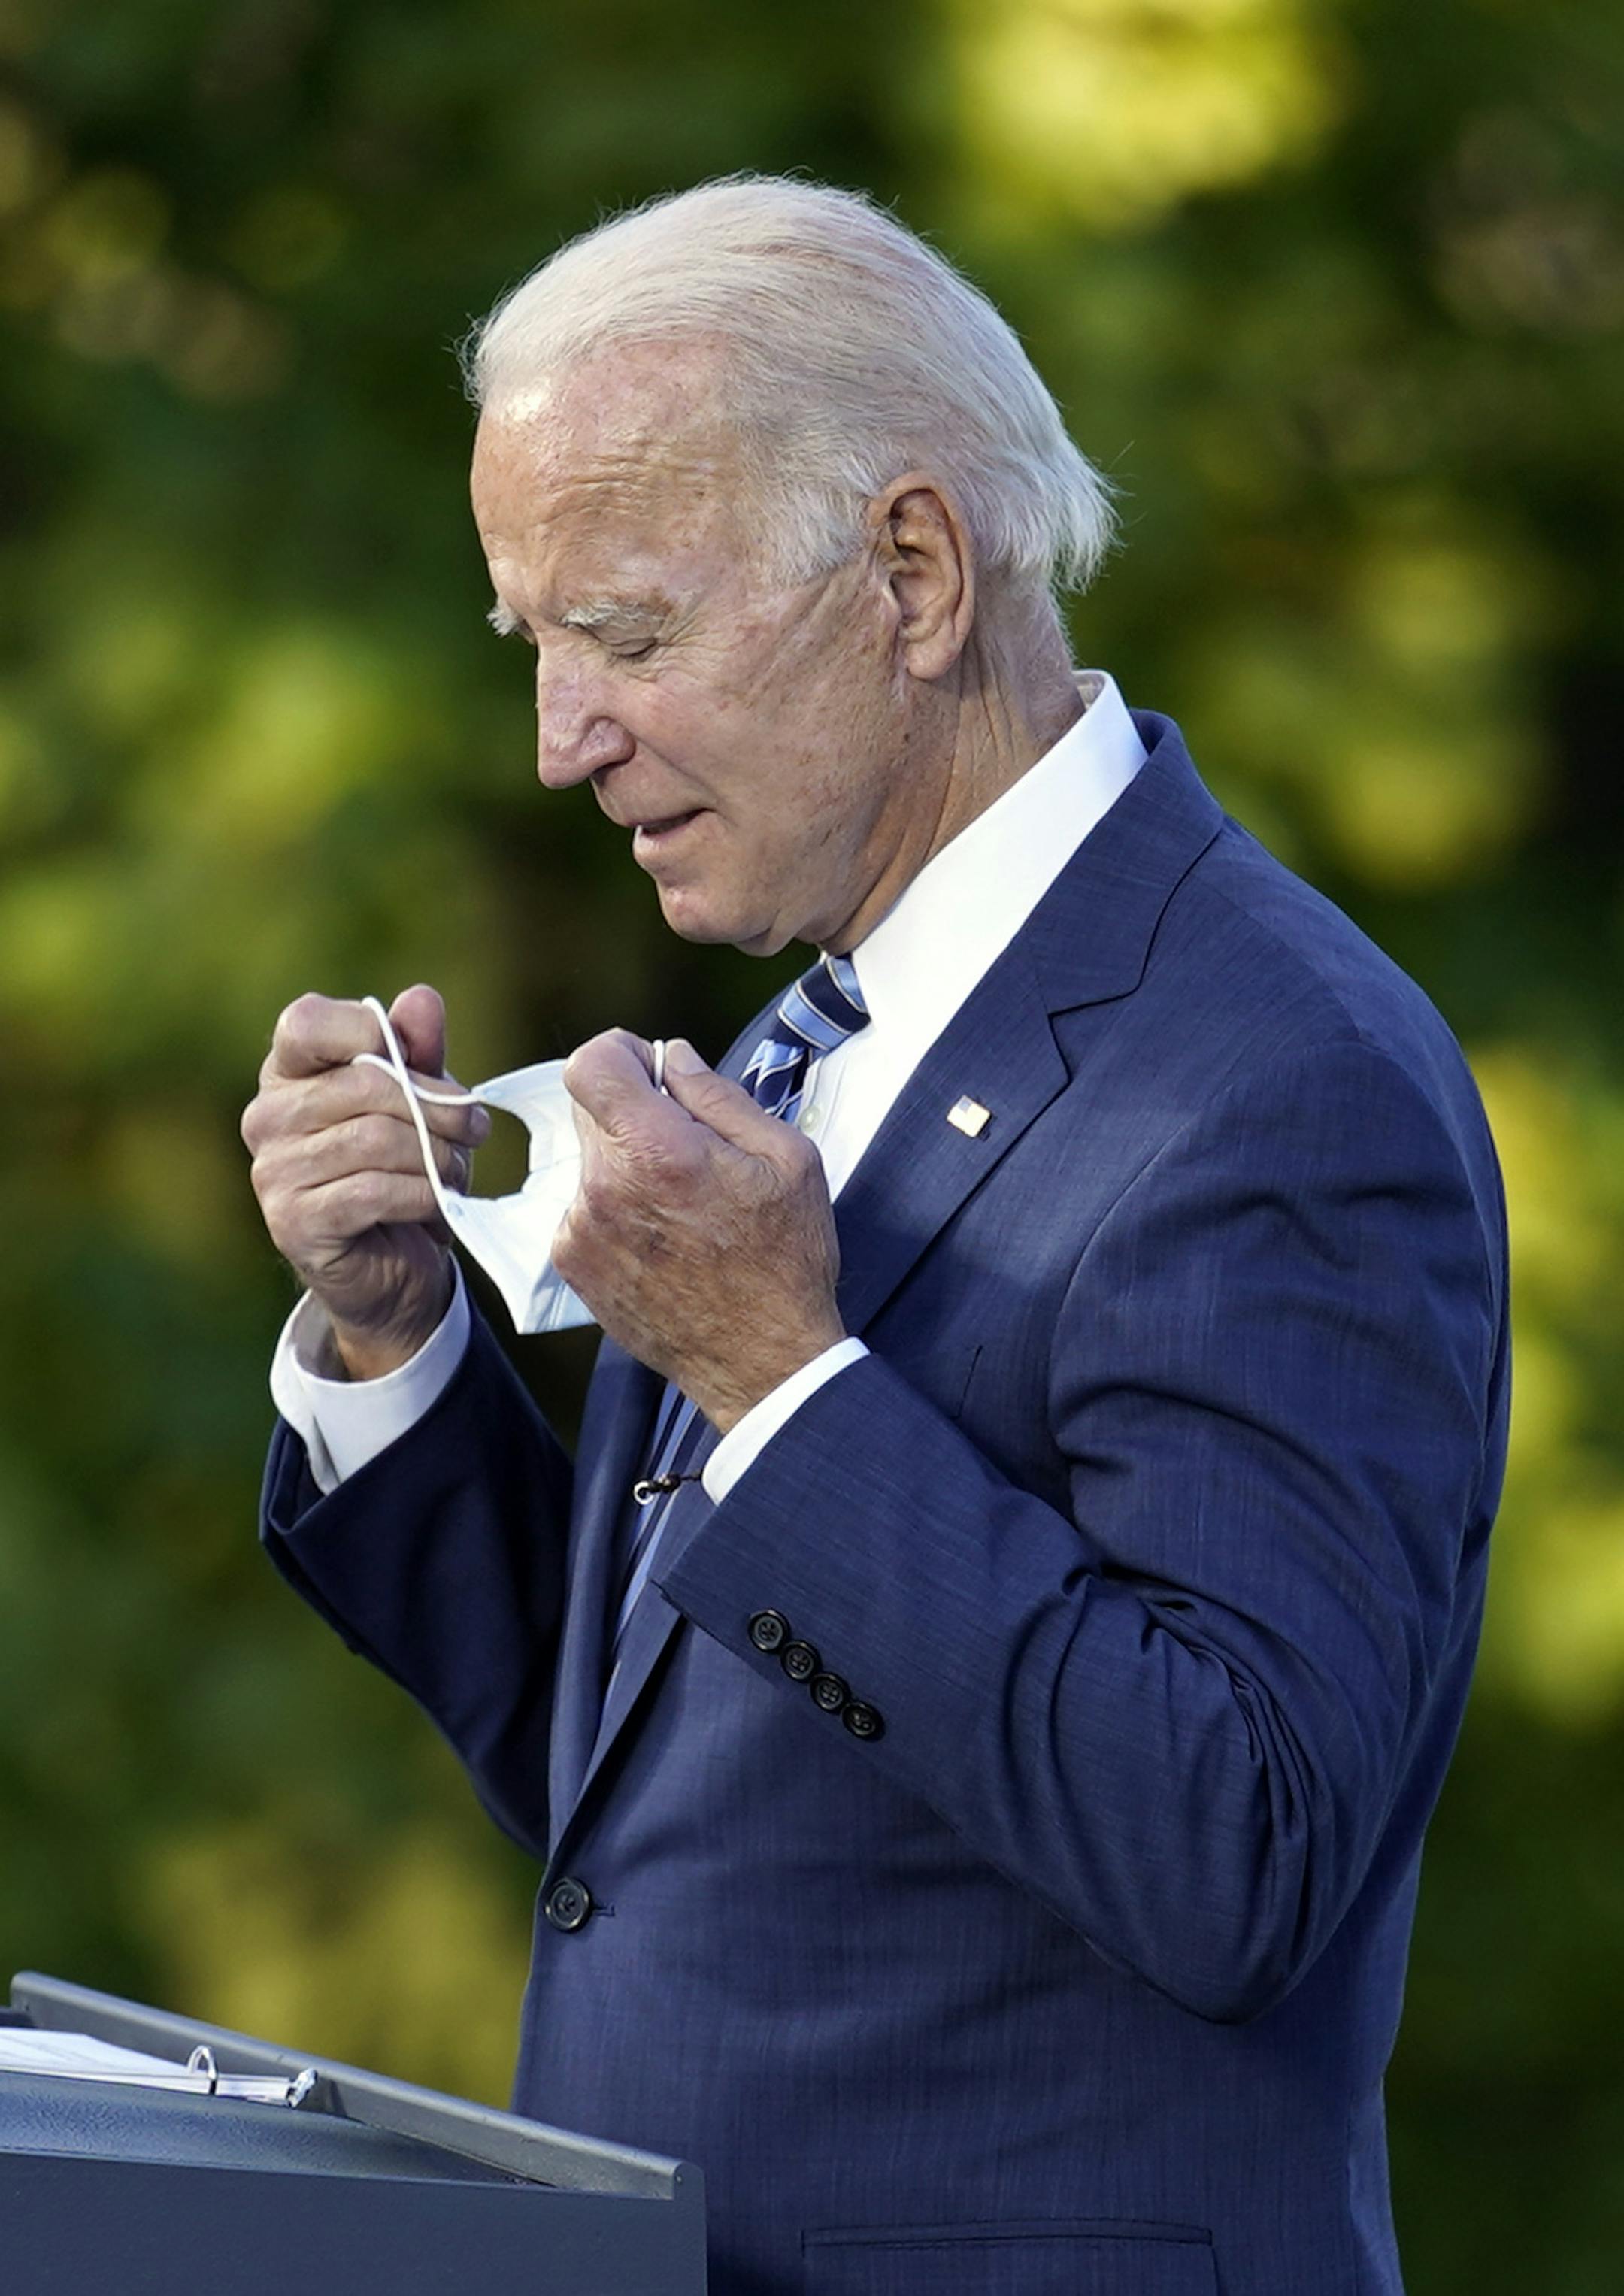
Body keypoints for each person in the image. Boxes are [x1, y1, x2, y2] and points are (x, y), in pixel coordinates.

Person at [241, 177, 1507, 2296]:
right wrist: (394, 1343)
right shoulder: (809, 1024)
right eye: (536, 646)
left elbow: (1240, 1853)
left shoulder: (1284, 1074)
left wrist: (778, 1378)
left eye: (626, 634)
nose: (560, 742)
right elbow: (646, 1792)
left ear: (913, 574)